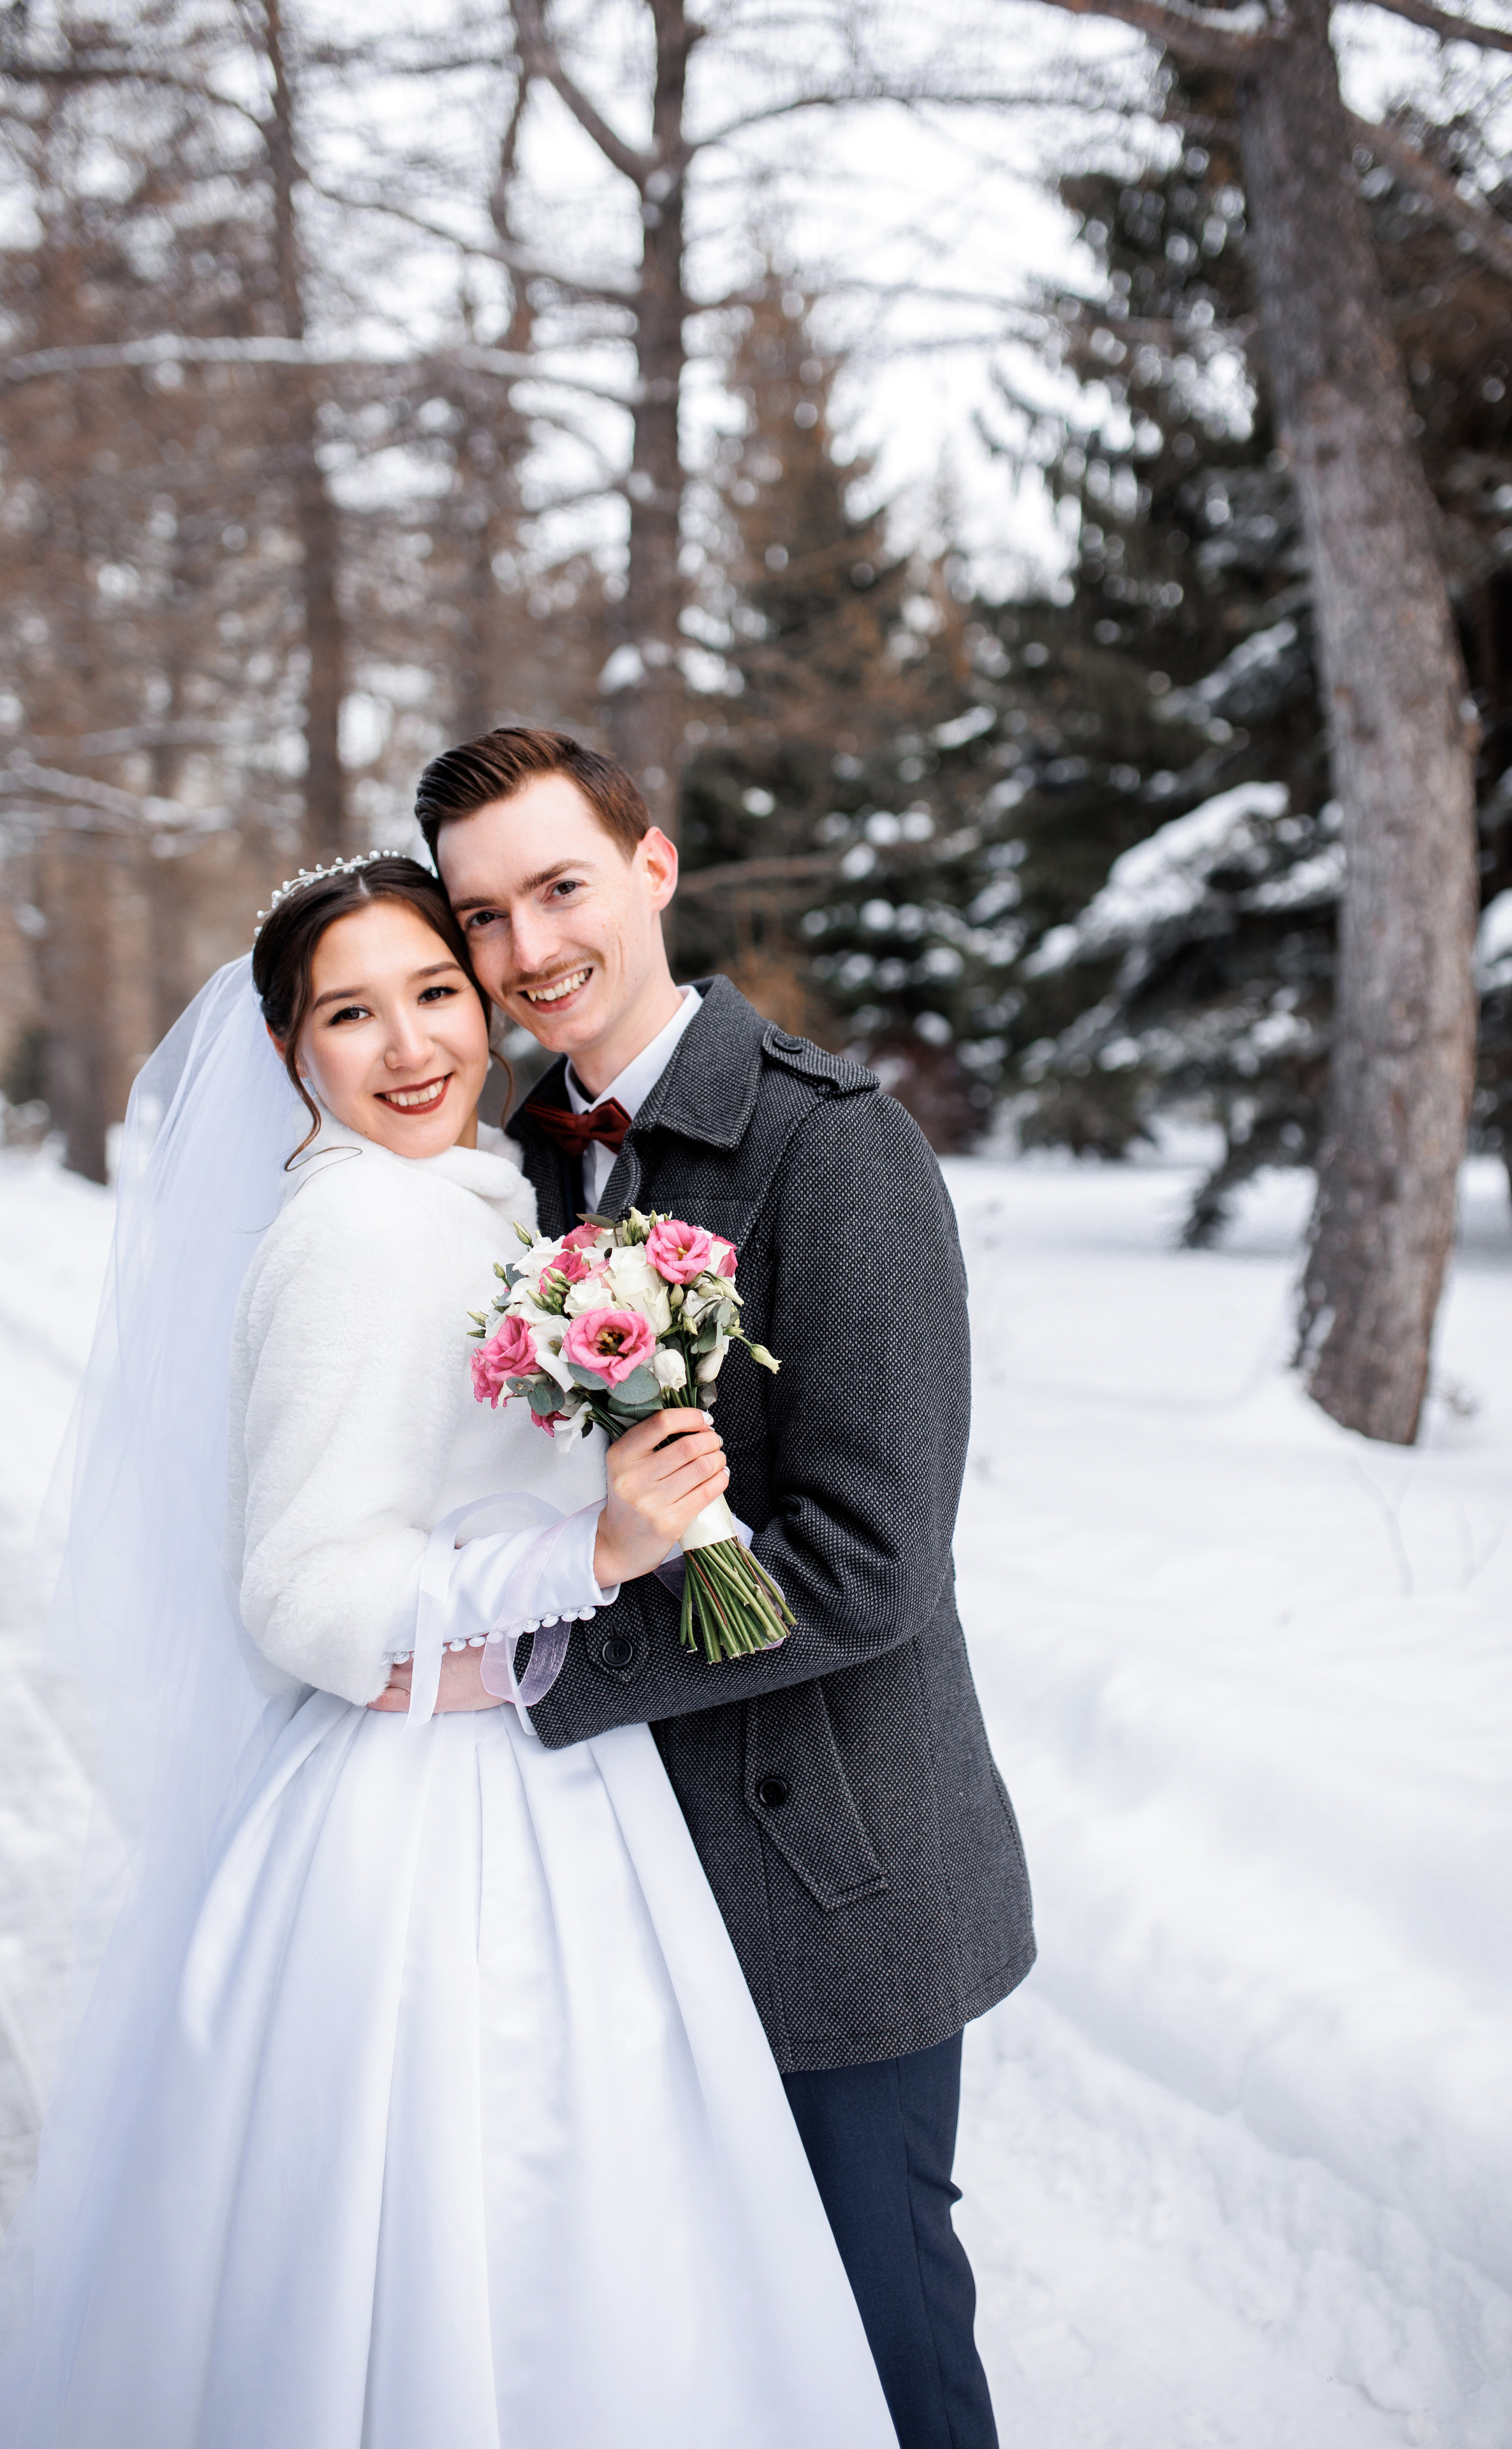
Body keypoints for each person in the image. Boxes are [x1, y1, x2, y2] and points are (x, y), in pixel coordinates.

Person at [0, 857, 897, 2449]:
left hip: (536, 1759)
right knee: (491, 2213)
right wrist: (583, 1554)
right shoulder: (359, 1233)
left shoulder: (481, 1194)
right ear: (288, 1046)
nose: (409, 1046)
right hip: (438, 1827)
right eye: (349, 1015)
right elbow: (304, 1589)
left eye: (435, 993)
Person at [416, 728, 1038, 2449]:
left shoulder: (833, 1151)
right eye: (485, 918)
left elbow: (873, 1565)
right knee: (698, 2339)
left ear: (655, 869)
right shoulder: (514, 1168)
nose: (531, 948)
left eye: (560, 887)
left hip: (825, 1866)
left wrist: (553, 1663)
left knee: (875, 2321)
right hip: (611, 1871)